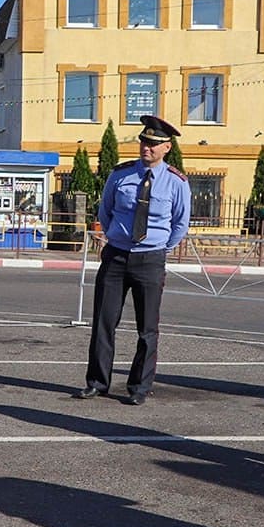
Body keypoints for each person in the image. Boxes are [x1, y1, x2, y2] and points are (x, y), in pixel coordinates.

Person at [77, 114, 191, 406]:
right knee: (104, 321)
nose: (146, 148)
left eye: (154, 144)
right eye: (143, 141)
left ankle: (139, 387)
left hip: (150, 259)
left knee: (147, 328)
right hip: (116, 256)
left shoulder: (177, 182)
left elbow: (180, 224)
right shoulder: (121, 174)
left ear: (167, 147)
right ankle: (97, 382)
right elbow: (106, 212)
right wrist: (119, 239)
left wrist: (159, 249)